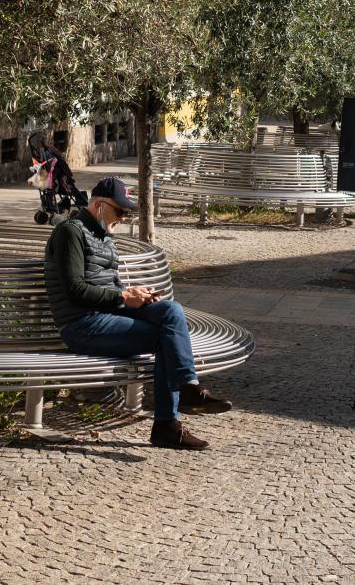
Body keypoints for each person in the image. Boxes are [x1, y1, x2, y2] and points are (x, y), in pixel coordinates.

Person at [46, 177, 233, 449]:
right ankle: (168, 424)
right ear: (98, 205)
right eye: (119, 211)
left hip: (108, 317)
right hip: (82, 325)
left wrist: (137, 295)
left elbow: (110, 287)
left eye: (126, 212)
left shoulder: (104, 237)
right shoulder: (70, 232)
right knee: (165, 338)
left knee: (170, 310)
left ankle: (189, 387)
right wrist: (123, 297)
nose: (123, 218)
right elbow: (76, 291)